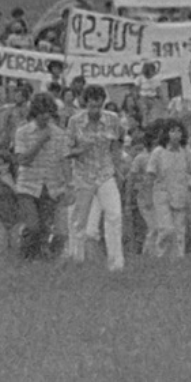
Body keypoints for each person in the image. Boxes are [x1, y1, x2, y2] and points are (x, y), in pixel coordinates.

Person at [66, 86, 126, 271]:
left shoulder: (112, 119)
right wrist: (80, 149)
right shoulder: (75, 121)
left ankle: (116, 264)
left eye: (98, 106)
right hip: (83, 174)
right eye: (91, 106)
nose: (95, 110)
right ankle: (76, 258)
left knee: (114, 215)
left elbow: (116, 145)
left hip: (105, 173)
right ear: (85, 103)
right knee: (79, 220)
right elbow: (66, 150)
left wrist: (119, 169)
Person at [14, 94, 68, 262]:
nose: (45, 116)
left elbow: (63, 160)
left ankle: (41, 259)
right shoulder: (23, 132)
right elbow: (22, 160)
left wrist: (68, 184)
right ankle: (24, 257)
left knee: (47, 228)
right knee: (33, 226)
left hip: (51, 186)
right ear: (34, 113)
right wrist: (40, 141)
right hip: (28, 186)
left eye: (49, 113)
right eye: (41, 113)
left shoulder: (59, 134)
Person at [143, 119, 191, 261]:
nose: (176, 135)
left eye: (179, 131)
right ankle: (159, 256)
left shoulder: (186, 152)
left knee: (179, 231)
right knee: (166, 229)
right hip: (162, 195)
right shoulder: (158, 152)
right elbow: (150, 175)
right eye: (172, 131)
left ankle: (177, 260)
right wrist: (147, 197)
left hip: (180, 194)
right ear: (166, 133)